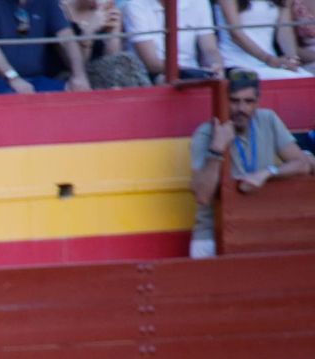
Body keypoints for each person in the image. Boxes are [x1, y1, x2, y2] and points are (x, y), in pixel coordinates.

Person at [188, 69, 313, 257]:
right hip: (213, 234)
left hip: (260, 230)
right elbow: (203, 196)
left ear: (257, 102)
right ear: (224, 100)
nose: (242, 109)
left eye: (249, 101)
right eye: (234, 101)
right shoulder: (206, 133)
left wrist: (266, 173)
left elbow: (302, 164)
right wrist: (216, 149)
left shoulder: (267, 119)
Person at [0, 0, 89, 92]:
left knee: (75, 95)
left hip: (39, 79)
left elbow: (68, 39)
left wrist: (79, 76)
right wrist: (13, 79)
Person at [124, 0, 223, 82]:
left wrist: (216, 66)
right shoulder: (135, 5)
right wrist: (192, 72)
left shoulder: (198, 2)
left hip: (193, 74)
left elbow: (210, 49)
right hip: (153, 76)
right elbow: (152, 64)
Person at [215, 0, 312, 79]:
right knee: (295, 80)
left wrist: (292, 59)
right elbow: (236, 34)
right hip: (237, 63)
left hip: (270, 64)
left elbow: (284, 30)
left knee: (307, 78)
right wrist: (268, 59)